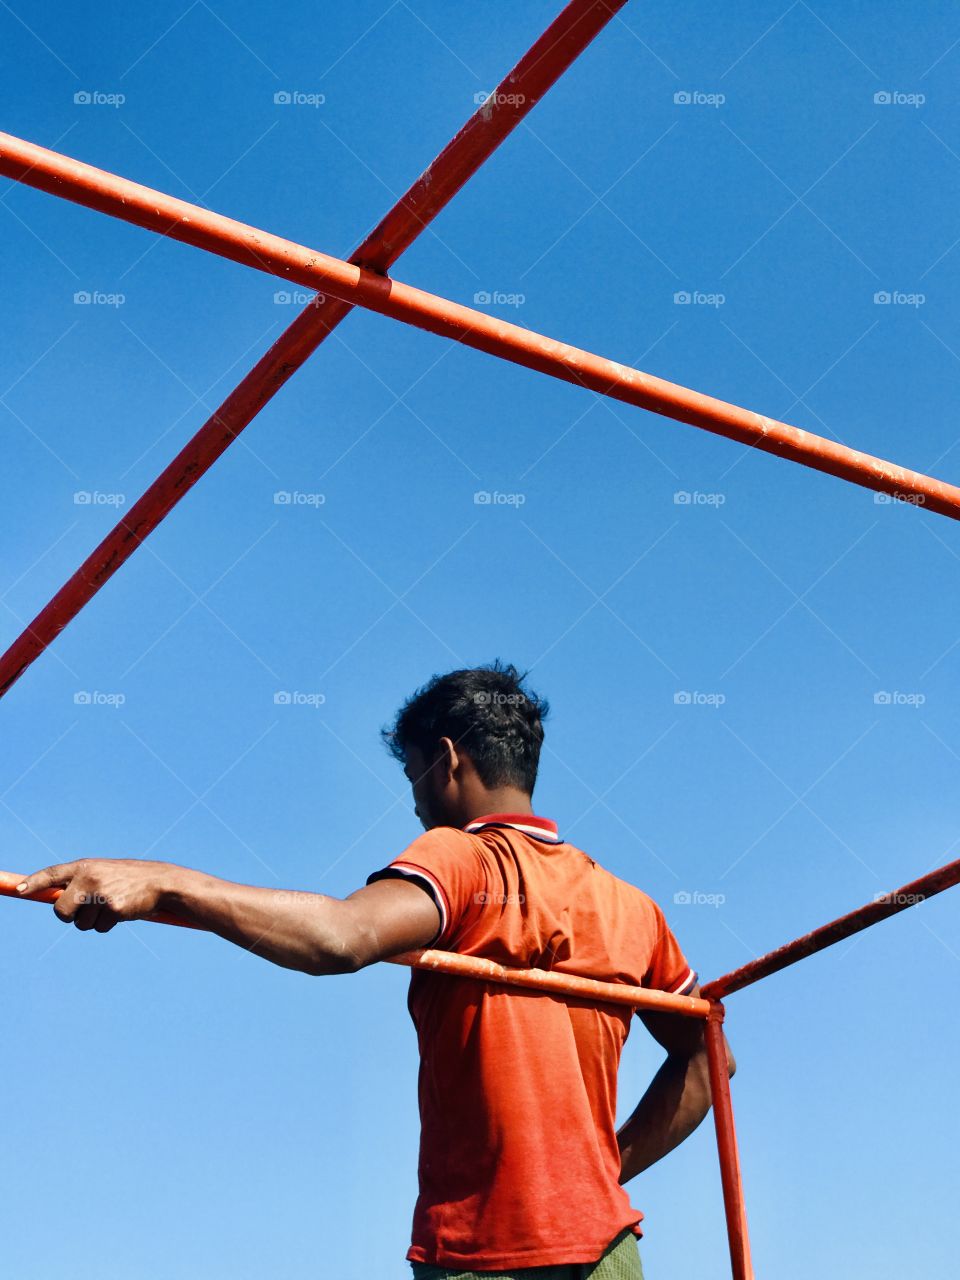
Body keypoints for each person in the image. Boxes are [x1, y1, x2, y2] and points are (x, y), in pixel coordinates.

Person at [16, 661, 734, 1279]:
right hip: (610, 1252)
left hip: (485, 1253)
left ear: (447, 759)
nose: (415, 800)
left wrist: (165, 883)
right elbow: (711, 1060)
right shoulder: (629, 906)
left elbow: (344, 936)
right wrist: (602, 1173)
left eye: (413, 773)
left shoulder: (462, 856)